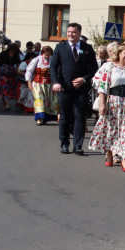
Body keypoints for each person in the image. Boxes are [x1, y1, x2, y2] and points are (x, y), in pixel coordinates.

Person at [89, 41, 125, 172]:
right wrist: (102, 103)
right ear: (119, 53)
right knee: (111, 129)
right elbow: (102, 86)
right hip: (113, 101)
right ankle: (109, 153)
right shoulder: (109, 66)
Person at [49, 24, 98, 155]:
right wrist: (56, 82)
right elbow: (53, 67)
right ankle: (64, 144)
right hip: (64, 88)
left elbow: (94, 68)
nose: (70, 34)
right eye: (69, 32)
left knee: (79, 117)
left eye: (73, 32)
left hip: (81, 89)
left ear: (79, 33)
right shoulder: (60, 47)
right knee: (65, 116)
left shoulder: (87, 48)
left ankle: (78, 145)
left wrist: (84, 79)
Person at [25, 45, 58, 125]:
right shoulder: (36, 60)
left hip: (49, 84)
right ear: (42, 53)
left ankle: (45, 117)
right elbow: (29, 71)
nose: (47, 56)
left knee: (49, 101)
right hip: (38, 83)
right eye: (46, 54)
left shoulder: (52, 60)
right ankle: (39, 118)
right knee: (39, 100)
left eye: (49, 54)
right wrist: (29, 82)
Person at [0, 42, 24, 112]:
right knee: (4, 88)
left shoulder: (16, 56)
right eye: (12, 50)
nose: (12, 51)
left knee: (8, 89)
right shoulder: (3, 53)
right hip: (3, 73)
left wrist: (17, 73)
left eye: (14, 50)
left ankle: (4, 102)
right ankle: (6, 103)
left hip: (11, 74)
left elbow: (18, 66)